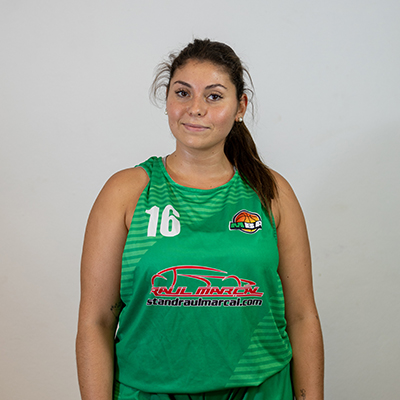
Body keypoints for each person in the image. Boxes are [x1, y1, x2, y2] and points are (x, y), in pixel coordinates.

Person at [76, 38, 324, 400]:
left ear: (240, 107)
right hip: (149, 392)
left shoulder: (271, 192)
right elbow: (96, 321)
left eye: (214, 96)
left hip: (261, 391)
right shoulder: (126, 192)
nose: (195, 109)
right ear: (166, 101)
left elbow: (302, 317)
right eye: (182, 93)